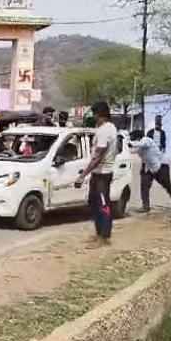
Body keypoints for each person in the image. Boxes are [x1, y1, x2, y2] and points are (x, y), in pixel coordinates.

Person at [75, 101, 117, 246]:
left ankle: (104, 237)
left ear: (99, 114)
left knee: (103, 205)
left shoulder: (105, 130)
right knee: (94, 203)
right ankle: (99, 233)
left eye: (93, 113)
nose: (92, 116)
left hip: (103, 173)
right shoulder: (107, 128)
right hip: (99, 173)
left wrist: (83, 175)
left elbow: (98, 156)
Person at [130, 129, 171, 212]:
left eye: (132, 137)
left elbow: (142, 144)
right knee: (144, 186)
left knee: (167, 185)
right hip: (149, 167)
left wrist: (130, 143)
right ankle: (145, 206)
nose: (131, 138)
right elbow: (141, 156)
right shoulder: (139, 147)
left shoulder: (147, 140)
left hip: (161, 166)